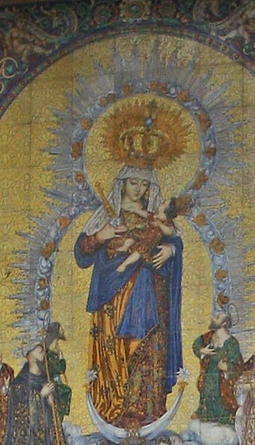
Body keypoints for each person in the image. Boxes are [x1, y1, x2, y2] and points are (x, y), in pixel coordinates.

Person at [74, 169, 184, 430]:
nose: (138, 189)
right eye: (133, 182)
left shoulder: (154, 217)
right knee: (115, 350)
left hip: (150, 297)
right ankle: (114, 412)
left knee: (147, 347)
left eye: (144, 184)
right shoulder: (107, 215)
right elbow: (81, 255)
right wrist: (99, 237)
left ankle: (145, 413)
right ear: (122, 183)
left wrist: (171, 250)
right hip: (112, 298)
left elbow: (174, 242)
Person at [0, 338, 72, 445]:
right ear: (28, 355)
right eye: (37, 349)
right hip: (28, 442)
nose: (41, 350)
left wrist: (52, 401)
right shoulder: (20, 382)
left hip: (46, 435)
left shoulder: (45, 378)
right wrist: (40, 395)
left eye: (41, 348)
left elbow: (54, 410)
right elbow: (20, 411)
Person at [192, 305, 242, 424]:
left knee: (221, 415)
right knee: (205, 414)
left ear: (224, 323)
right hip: (207, 383)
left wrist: (227, 368)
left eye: (218, 317)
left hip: (222, 387)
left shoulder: (231, 343)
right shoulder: (208, 337)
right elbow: (196, 344)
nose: (213, 319)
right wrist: (202, 351)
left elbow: (238, 365)